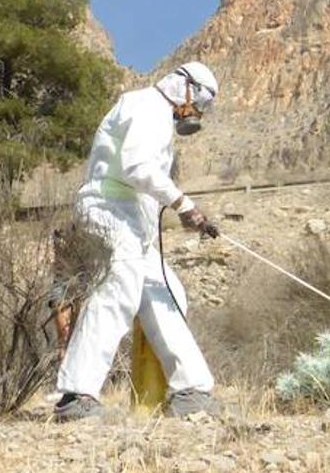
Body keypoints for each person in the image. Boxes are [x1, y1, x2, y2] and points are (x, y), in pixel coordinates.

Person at [53, 62, 224, 421]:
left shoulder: (158, 118)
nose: (197, 113)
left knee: (167, 295)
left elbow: (145, 187)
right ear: (185, 87)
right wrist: (184, 205)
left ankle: (192, 391)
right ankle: (77, 396)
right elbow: (137, 168)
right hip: (107, 209)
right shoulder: (147, 107)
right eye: (201, 104)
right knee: (118, 287)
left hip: (133, 223)